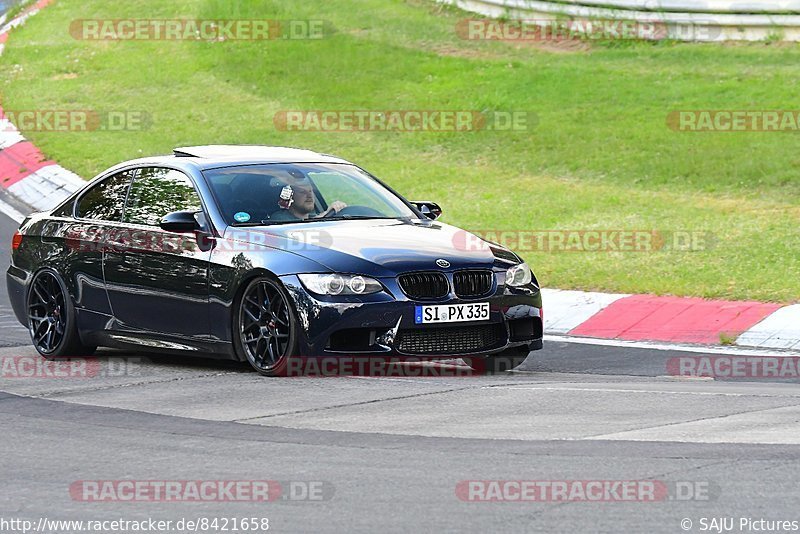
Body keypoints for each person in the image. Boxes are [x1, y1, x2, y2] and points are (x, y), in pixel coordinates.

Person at [269, 173, 346, 221]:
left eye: (310, 191)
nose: (309, 196)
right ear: (290, 197)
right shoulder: (279, 219)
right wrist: (325, 214)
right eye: (302, 192)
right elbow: (299, 231)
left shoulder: (314, 216)